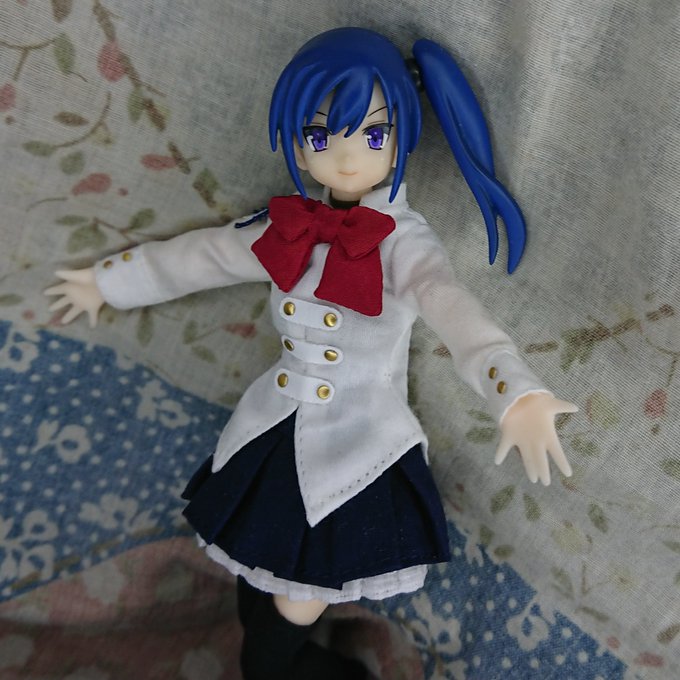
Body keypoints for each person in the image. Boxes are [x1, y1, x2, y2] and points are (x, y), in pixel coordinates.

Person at [46, 27, 577, 680]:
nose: (347, 158)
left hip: (357, 443)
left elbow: (453, 308)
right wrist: (107, 282)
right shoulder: (288, 224)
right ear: (298, 142)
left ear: (402, 139)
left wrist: (514, 392)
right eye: (322, 137)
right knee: (254, 577)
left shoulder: (402, 243)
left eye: (373, 136)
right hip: (272, 430)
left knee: (294, 599)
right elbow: (203, 256)